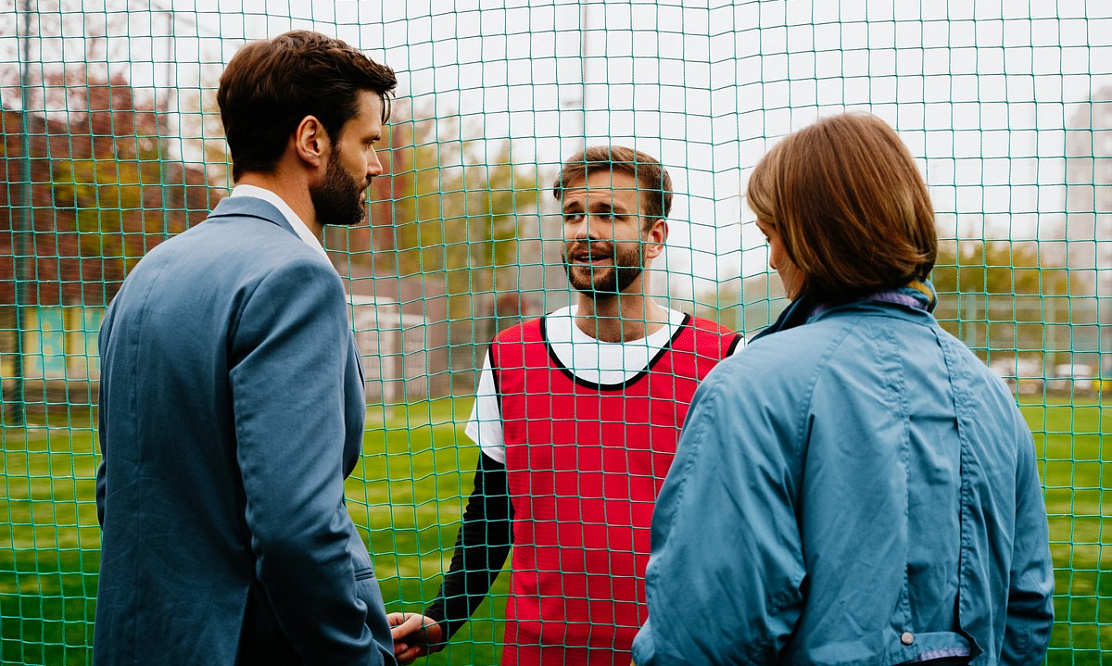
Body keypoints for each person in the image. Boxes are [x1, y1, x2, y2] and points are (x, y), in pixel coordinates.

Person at [630, 113, 1055, 666]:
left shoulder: (749, 386)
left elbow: (707, 627)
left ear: (811, 236)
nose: (772, 258)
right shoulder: (991, 395)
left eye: (771, 235)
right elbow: (1025, 612)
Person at [94, 31, 399, 665]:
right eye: (367, 142)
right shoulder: (296, 278)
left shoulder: (149, 271)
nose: (376, 165)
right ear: (312, 141)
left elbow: (118, 490)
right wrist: (356, 652)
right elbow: (296, 531)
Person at [387, 146, 742, 665]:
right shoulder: (512, 355)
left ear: (655, 237)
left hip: (678, 653)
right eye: (573, 214)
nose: (584, 231)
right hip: (539, 654)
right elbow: (492, 512)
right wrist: (444, 617)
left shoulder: (722, 360)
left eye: (608, 214)